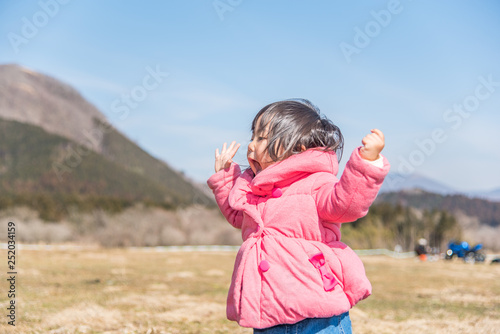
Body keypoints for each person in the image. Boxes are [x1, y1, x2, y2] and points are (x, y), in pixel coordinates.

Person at [207, 99, 390, 333]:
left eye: (262, 138)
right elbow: (237, 215)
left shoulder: (315, 182)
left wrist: (367, 163)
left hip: (317, 311)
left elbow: (347, 205)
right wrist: (224, 179)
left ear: (299, 146)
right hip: (268, 311)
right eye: (253, 136)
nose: (251, 145)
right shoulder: (256, 188)